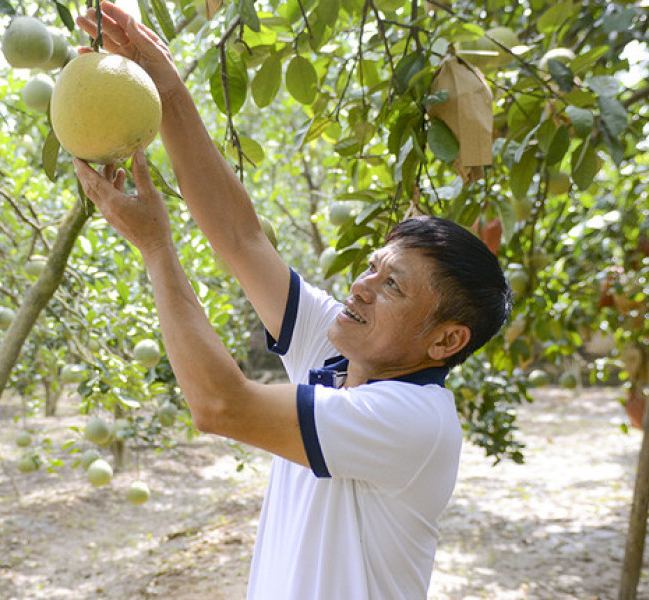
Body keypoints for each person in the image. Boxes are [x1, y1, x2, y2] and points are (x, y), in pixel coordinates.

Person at [72, 4, 512, 598]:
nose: (361, 286)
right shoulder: (336, 360)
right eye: (372, 268)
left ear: (446, 340)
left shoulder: (413, 422)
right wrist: (164, 84)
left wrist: (155, 246)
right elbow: (240, 236)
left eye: (393, 285)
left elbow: (220, 406)